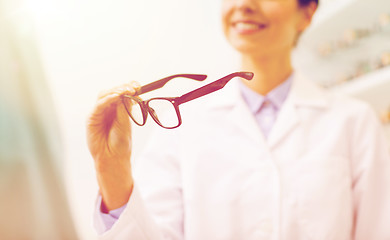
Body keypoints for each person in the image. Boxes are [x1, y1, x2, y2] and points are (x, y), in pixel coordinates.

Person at [87, 0, 390, 239]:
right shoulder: (180, 125)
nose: (243, 3)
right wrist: (110, 169)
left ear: (307, 13)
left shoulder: (353, 121)